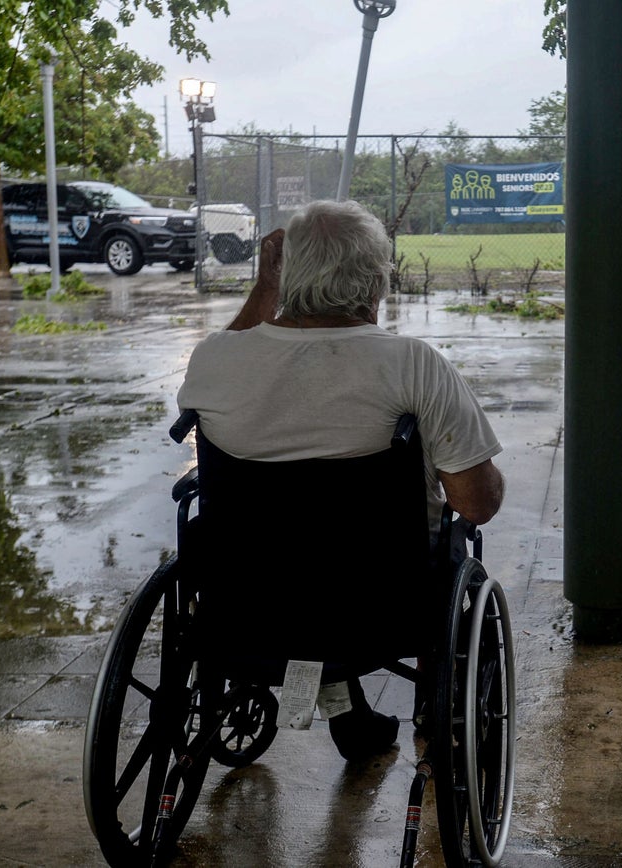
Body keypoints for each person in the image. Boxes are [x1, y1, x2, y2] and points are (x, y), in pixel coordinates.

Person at [177, 199, 505, 761]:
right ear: (377, 281)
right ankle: (418, 709)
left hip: (247, 595)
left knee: (298, 545)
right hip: (380, 602)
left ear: (283, 275)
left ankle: (344, 707)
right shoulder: (413, 365)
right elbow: (476, 505)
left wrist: (265, 288)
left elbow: (239, 346)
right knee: (428, 550)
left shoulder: (213, 360)